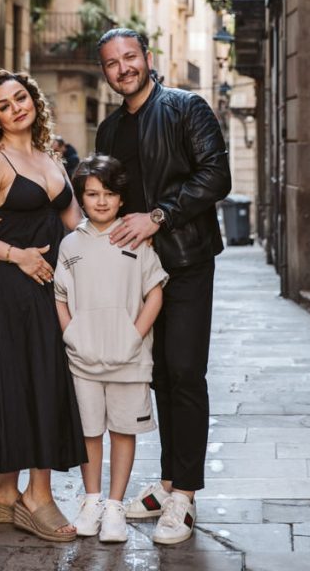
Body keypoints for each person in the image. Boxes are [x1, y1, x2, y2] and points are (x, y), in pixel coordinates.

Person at [95, 28, 231, 545]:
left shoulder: (185, 108)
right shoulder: (109, 131)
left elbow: (216, 176)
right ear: (105, 72)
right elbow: (102, 197)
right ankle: (171, 481)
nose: (123, 68)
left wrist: (160, 216)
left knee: (185, 372)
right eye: (112, 63)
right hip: (138, 272)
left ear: (148, 59)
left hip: (188, 260)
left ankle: (186, 496)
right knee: (156, 377)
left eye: (130, 57)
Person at [0, 69, 87, 543]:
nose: (16, 108)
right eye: (4, 105)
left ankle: (6, 495)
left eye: (21, 97)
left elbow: (76, 224)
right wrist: (17, 256)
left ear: (34, 100)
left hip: (51, 286)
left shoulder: (51, 157)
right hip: (12, 286)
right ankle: (39, 496)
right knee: (31, 380)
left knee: (38, 379)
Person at [54, 154, 168, 543]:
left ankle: (116, 506)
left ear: (122, 199)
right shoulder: (70, 244)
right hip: (82, 360)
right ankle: (92, 501)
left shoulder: (136, 239)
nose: (101, 201)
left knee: (122, 430)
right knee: (89, 432)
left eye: (109, 194)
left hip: (129, 360)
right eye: (92, 194)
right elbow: (60, 297)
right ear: (81, 198)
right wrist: (73, 335)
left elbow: (154, 294)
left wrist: (134, 336)